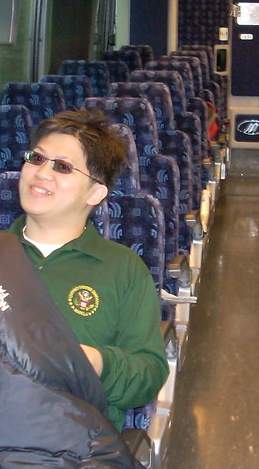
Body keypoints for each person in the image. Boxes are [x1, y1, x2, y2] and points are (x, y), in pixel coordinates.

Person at [9, 108, 168, 429]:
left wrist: (98, 364)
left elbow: (149, 374)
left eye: (63, 167)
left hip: (75, 441)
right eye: (36, 159)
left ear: (95, 193)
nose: (42, 173)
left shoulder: (122, 269)